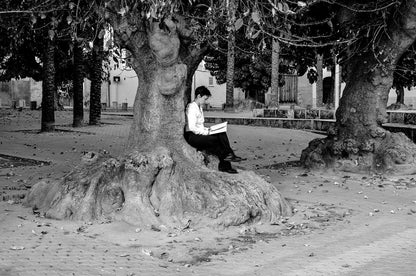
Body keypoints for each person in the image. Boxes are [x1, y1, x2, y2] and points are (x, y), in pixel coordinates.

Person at [184, 86, 245, 174]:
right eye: (205, 99)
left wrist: (208, 130)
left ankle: (228, 157)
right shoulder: (191, 107)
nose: (205, 101)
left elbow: (200, 126)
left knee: (221, 133)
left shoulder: (199, 107)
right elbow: (192, 127)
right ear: (198, 96)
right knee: (216, 140)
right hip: (192, 136)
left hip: (198, 133)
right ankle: (227, 160)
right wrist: (206, 132)